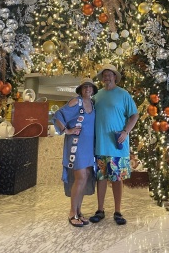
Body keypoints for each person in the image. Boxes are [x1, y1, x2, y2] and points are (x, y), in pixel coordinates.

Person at [89, 64, 139, 226]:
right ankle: (100, 210)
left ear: (115, 77)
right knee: (101, 178)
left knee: (117, 179)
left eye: (109, 75)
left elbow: (134, 115)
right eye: (104, 75)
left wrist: (125, 132)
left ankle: (118, 211)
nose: (107, 77)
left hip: (118, 145)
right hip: (100, 146)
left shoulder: (124, 94)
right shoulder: (97, 96)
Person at [53, 78, 97, 227]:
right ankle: (72, 212)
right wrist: (67, 130)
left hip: (89, 147)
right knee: (81, 177)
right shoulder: (75, 102)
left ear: (93, 90)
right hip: (76, 146)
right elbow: (58, 115)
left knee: (85, 178)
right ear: (80, 89)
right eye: (85, 87)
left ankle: (79, 210)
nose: (87, 89)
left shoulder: (93, 104)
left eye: (90, 87)